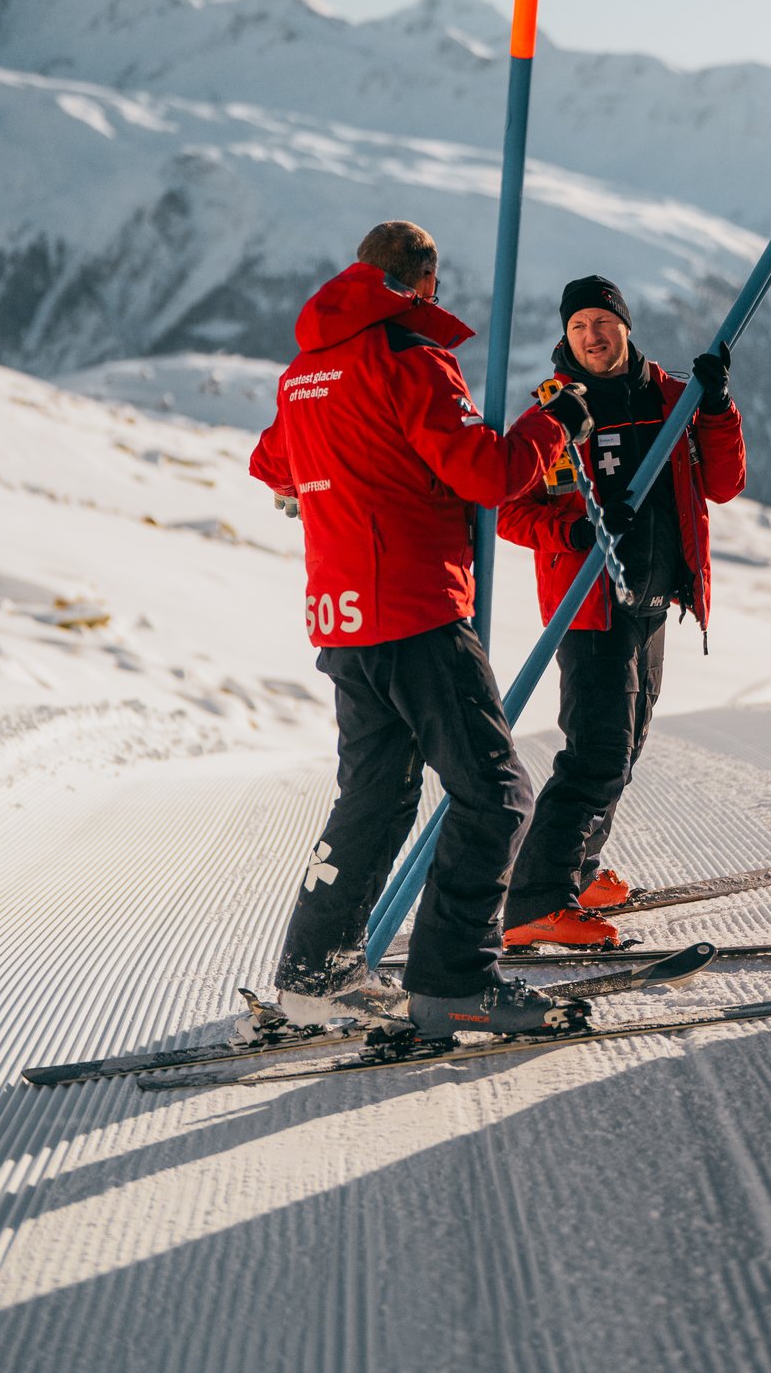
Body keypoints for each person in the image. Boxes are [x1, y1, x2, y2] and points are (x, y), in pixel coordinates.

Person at [243, 220, 595, 1039]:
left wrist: (322, 478)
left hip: (343, 620)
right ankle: (453, 980)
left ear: (360, 272)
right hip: (416, 608)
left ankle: (313, 974)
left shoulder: (304, 370)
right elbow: (486, 473)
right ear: (425, 285)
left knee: (376, 796)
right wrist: (558, 423)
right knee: (496, 795)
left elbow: (272, 465)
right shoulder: (408, 357)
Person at [498, 274, 746, 948]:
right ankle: (533, 901)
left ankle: (572, 874)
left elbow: (722, 485)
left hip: (652, 598)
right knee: (596, 753)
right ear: (565, 335)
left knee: (626, 744)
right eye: (578, 325)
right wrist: (570, 532)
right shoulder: (553, 412)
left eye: (602, 323)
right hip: (589, 604)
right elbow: (507, 508)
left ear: (625, 326)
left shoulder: (671, 398)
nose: (592, 335)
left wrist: (717, 406)